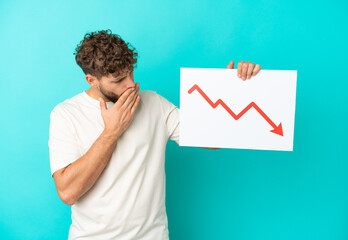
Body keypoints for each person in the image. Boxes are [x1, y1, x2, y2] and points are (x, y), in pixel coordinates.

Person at [48, 29, 261, 240]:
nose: (131, 84)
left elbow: (213, 139)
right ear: (92, 80)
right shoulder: (66, 114)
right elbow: (68, 193)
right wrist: (111, 133)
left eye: (131, 72)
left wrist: (234, 89)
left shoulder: (153, 103)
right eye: (119, 80)